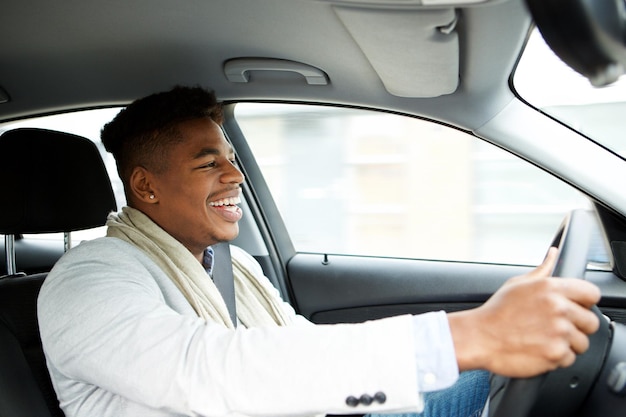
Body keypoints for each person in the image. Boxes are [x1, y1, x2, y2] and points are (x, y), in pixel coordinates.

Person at [37, 86, 601, 417]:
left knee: (506, 374)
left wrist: (491, 324)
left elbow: (300, 347)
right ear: (146, 187)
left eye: (231, 157)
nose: (235, 174)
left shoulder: (234, 268)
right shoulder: (86, 280)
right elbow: (201, 370)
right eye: (209, 162)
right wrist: (472, 334)